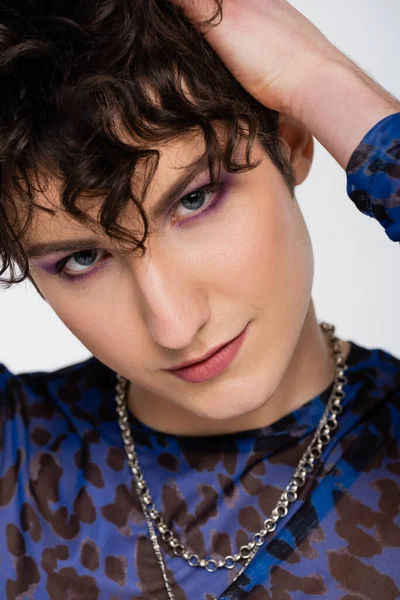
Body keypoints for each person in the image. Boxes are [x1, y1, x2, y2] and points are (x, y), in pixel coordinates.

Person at [0, 0, 399, 598]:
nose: (174, 325)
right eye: (82, 259)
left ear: (290, 140)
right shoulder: (16, 463)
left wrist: (321, 79)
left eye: (194, 199)